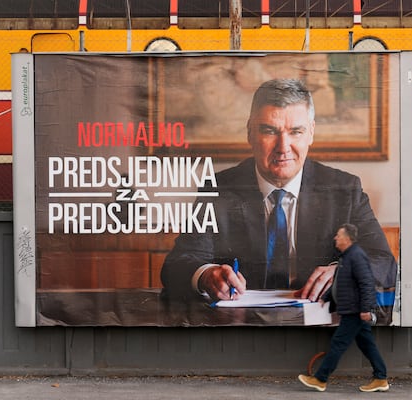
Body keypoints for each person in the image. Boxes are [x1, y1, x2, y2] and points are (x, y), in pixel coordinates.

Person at [160, 78, 397, 311]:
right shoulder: (219, 189)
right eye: (269, 131)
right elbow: (177, 265)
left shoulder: (344, 189)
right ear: (250, 133)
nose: (283, 147)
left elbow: (384, 263)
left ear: (311, 133)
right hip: (241, 328)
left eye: (296, 131)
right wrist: (205, 275)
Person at [298, 223, 389, 393]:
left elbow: (367, 283)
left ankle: (320, 379)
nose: (335, 238)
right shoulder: (347, 257)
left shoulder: (356, 256)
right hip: (353, 309)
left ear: (347, 239)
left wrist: (365, 309)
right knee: (367, 345)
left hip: (354, 310)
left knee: (338, 344)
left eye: (338, 235)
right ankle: (381, 378)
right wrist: (325, 297)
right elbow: (341, 283)